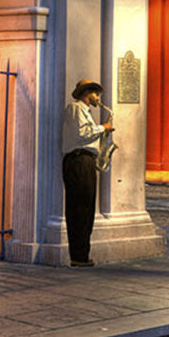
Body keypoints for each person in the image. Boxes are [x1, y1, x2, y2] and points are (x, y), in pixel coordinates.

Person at [62, 79, 114, 267]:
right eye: (95, 94)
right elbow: (82, 134)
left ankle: (82, 254)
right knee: (80, 209)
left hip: (85, 160)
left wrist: (103, 134)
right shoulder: (76, 108)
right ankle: (78, 255)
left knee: (87, 209)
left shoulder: (86, 112)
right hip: (78, 160)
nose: (98, 98)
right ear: (87, 93)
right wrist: (103, 128)